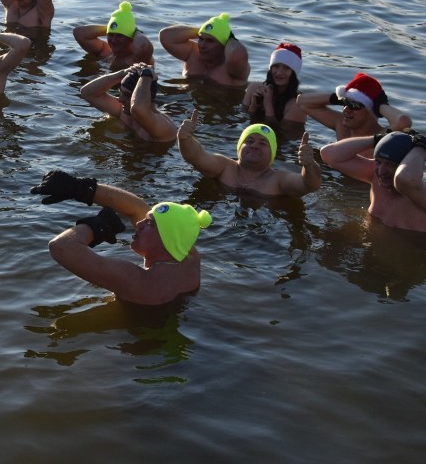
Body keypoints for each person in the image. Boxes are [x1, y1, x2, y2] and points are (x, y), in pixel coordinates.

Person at [30, 170, 212, 306]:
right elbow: (136, 207)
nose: (139, 223)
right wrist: (81, 188)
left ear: (167, 240)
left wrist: (96, 226)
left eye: (150, 224)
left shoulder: (139, 281)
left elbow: (61, 248)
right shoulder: (189, 259)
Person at [320, 130, 426, 233]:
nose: (381, 171)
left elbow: (404, 179)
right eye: (378, 161)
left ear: (404, 164)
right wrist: (378, 139)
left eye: (390, 164)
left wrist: (421, 147)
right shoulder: (375, 176)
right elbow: (328, 154)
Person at [178, 113, 322, 197]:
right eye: (249, 140)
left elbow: (309, 185)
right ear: (239, 147)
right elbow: (195, 156)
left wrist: (309, 165)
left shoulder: (278, 180)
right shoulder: (225, 166)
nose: (254, 145)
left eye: (263, 143)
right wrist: (185, 139)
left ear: (272, 154)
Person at [296, 72, 412, 155]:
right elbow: (302, 102)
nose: (346, 109)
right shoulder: (342, 125)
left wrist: (379, 106)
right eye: (345, 103)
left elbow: (403, 122)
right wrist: (341, 98)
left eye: (354, 106)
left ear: (371, 112)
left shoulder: (382, 137)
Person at [79, 63, 177, 143]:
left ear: (147, 99)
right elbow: (87, 93)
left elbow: (138, 109)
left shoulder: (162, 126)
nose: (120, 99)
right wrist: (123, 73)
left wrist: (147, 75)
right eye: (120, 92)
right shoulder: (124, 111)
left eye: (126, 95)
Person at [158, 12, 250, 86]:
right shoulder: (193, 54)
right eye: (201, 39)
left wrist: (229, 37)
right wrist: (205, 30)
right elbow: (165, 36)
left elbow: (237, 53)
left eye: (210, 41)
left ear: (224, 45)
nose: (202, 45)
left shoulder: (232, 68)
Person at [242, 43, 307, 131]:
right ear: (270, 68)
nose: (279, 72)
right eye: (276, 66)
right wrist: (253, 106)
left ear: (293, 73)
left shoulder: (297, 104)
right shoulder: (254, 88)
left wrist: (268, 105)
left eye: (286, 68)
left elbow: (284, 136)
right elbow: (243, 121)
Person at [73, 1, 154, 70]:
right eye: (110, 35)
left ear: (131, 37)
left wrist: (133, 31)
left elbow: (144, 46)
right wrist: (113, 28)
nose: (114, 40)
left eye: (120, 36)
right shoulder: (106, 51)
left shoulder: (136, 59)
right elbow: (79, 33)